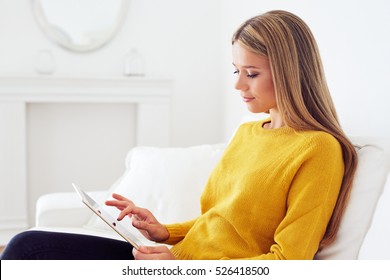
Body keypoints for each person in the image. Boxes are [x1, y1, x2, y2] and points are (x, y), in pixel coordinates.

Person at [1, 10, 357, 260]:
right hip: (171, 260)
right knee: (27, 245)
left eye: (251, 73)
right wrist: (163, 232)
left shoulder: (318, 149)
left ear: (290, 72)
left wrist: (179, 267)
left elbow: (287, 262)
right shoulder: (249, 133)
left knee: (28, 251)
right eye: (236, 70)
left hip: (184, 269)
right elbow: (220, 222)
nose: (237, 84)